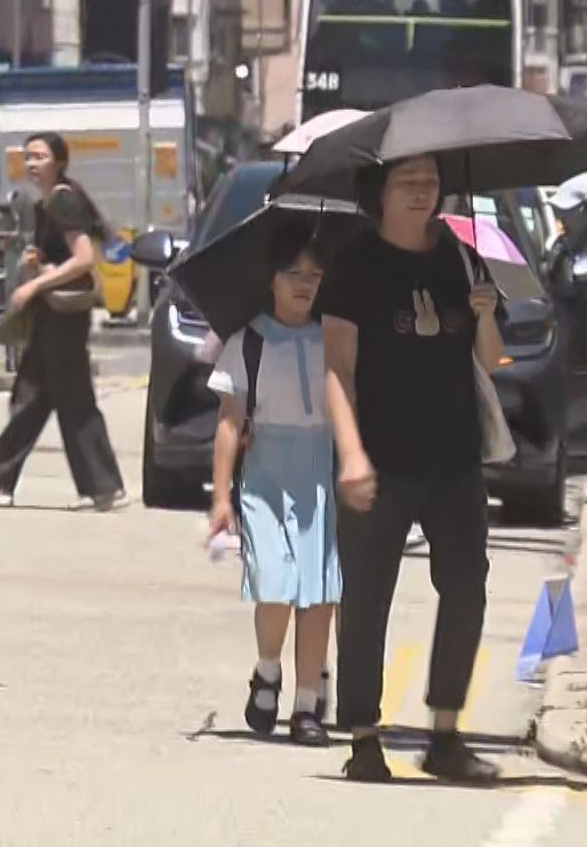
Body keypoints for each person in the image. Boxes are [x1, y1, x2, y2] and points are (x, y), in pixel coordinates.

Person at [319, 154, 505, 784]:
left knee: (467, 587)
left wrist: (483, 312)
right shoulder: (355, 264)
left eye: (431, 180)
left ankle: (445, 733)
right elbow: (337, 370)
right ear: (381, 192)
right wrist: (350, 454)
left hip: (453, 457)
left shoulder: (457, 255)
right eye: (410, 180)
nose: (425, 191)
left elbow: (493, 359)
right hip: (379, 457)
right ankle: (364, 738)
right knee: (368, 597)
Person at [206, 222, 341, 747]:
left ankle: (306, 706)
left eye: (314, 275)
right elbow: (228, 420)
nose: (305, 284)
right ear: (272, 280)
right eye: (293, 274)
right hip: (265, 478)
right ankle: (268, 669)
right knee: (276, 583)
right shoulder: (249, 342)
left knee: (319, 592)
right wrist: (222, 497)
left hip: (319, 477)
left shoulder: (333, 336)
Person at [0, 132, 128, 511]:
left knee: (51, 397)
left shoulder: (63, 201)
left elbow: (84, 257)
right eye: (28, 157)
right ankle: (95, 486)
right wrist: (40, 256)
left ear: (59, 161)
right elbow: (66, 252)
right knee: (40, 395)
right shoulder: (50, 203)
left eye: (40, 156)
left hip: (63, 317)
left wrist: (34, 284)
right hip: (55, 316)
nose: (32, 164)